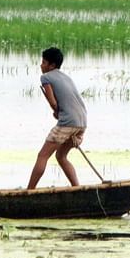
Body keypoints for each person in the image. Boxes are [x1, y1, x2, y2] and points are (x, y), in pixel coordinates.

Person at [27, 47, 87, 189]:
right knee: (61, 156)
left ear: (51, 65)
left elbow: (53, 101)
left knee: (43, 155)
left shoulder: (46, 77)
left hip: (67, 122)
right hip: (82, 122)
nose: (41, 65)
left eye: (44, 62)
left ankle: (29, 190)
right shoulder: (66, 77)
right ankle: (76, 188)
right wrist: (59, 111)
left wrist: (56, 110)